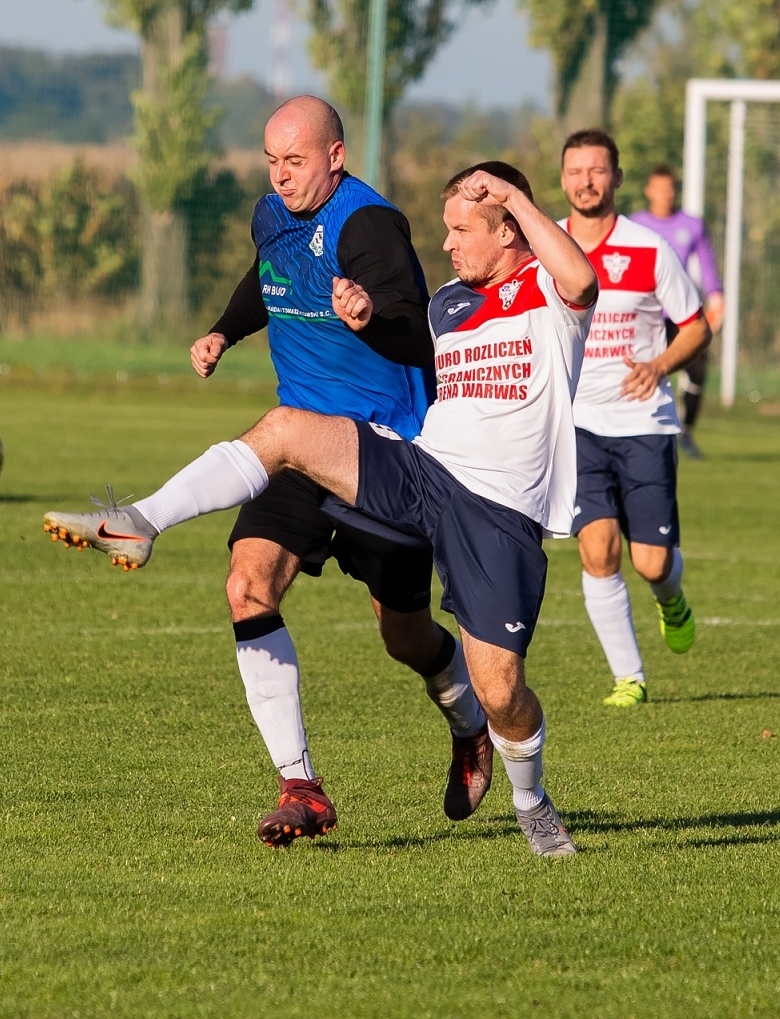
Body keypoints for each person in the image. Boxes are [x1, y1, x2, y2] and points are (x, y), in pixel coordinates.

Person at [45, 161, 599, 857]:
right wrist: (364, 321)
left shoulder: (550, 292)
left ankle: (531, 799)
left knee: (499, 690)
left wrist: (515, 193)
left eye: (462, 230)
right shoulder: (450, 302)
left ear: (511, 229)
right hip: (422, 471)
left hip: (497, 512)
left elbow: (582, 280)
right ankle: (139, 522)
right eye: (447, 229)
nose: (449, 245)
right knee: (282, 430)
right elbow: (406, 349)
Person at [76, 95, 492, 847]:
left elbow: (422, 335)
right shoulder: (271, 212)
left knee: (404, 636)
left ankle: (470, 724)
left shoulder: (370, 226)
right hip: (296, 455)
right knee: (246, 586)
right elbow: (267, 277)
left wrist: (371, 314)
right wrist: (223, 331)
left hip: (381, 456)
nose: (281, 176)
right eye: (271, 161)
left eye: (295, 161)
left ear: (336, 155)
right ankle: (301, 787)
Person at [558, 129, 711, 708]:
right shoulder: (546, 249)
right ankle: (630, 678)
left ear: (617, 178)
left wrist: (660, 363)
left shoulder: (650, 249)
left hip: (644, 422)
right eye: (576, 171)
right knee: (597, 550)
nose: (586, 181)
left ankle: (672, 599)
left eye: (597, 170)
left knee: (650, 563)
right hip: (577, 424)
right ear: (564, 177)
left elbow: (696, 325)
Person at [629, 165, 726, 458]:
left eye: (669, 188)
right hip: (648, 315)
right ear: (648, 191)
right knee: (643, 372)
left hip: (683, 315)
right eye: (659, 188)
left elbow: (706, 264)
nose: (664, 194)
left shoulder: (691, 225)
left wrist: (715, 296)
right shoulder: (635, 224)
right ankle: (641, 432)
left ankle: (687, 431)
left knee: (697, 373)